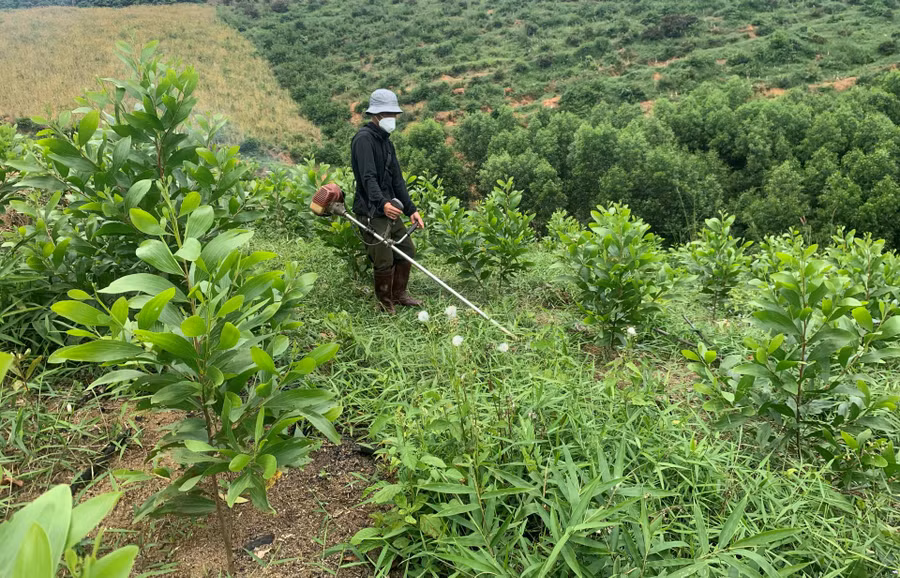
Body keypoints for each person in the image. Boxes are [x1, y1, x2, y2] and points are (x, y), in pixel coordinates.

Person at [350, 88, 425, 313]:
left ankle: (399, 294)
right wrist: (383, 203)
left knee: (406, 250)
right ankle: (385, 302)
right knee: (383, 259)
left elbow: (397, 179)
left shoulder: (386, 141)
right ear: (376, 115)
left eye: (394, 114)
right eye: (387, 114)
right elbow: (368, 178)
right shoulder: (363, 140)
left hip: (390, 208)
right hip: (373, 210)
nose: (391, 118)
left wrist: (411, 209)